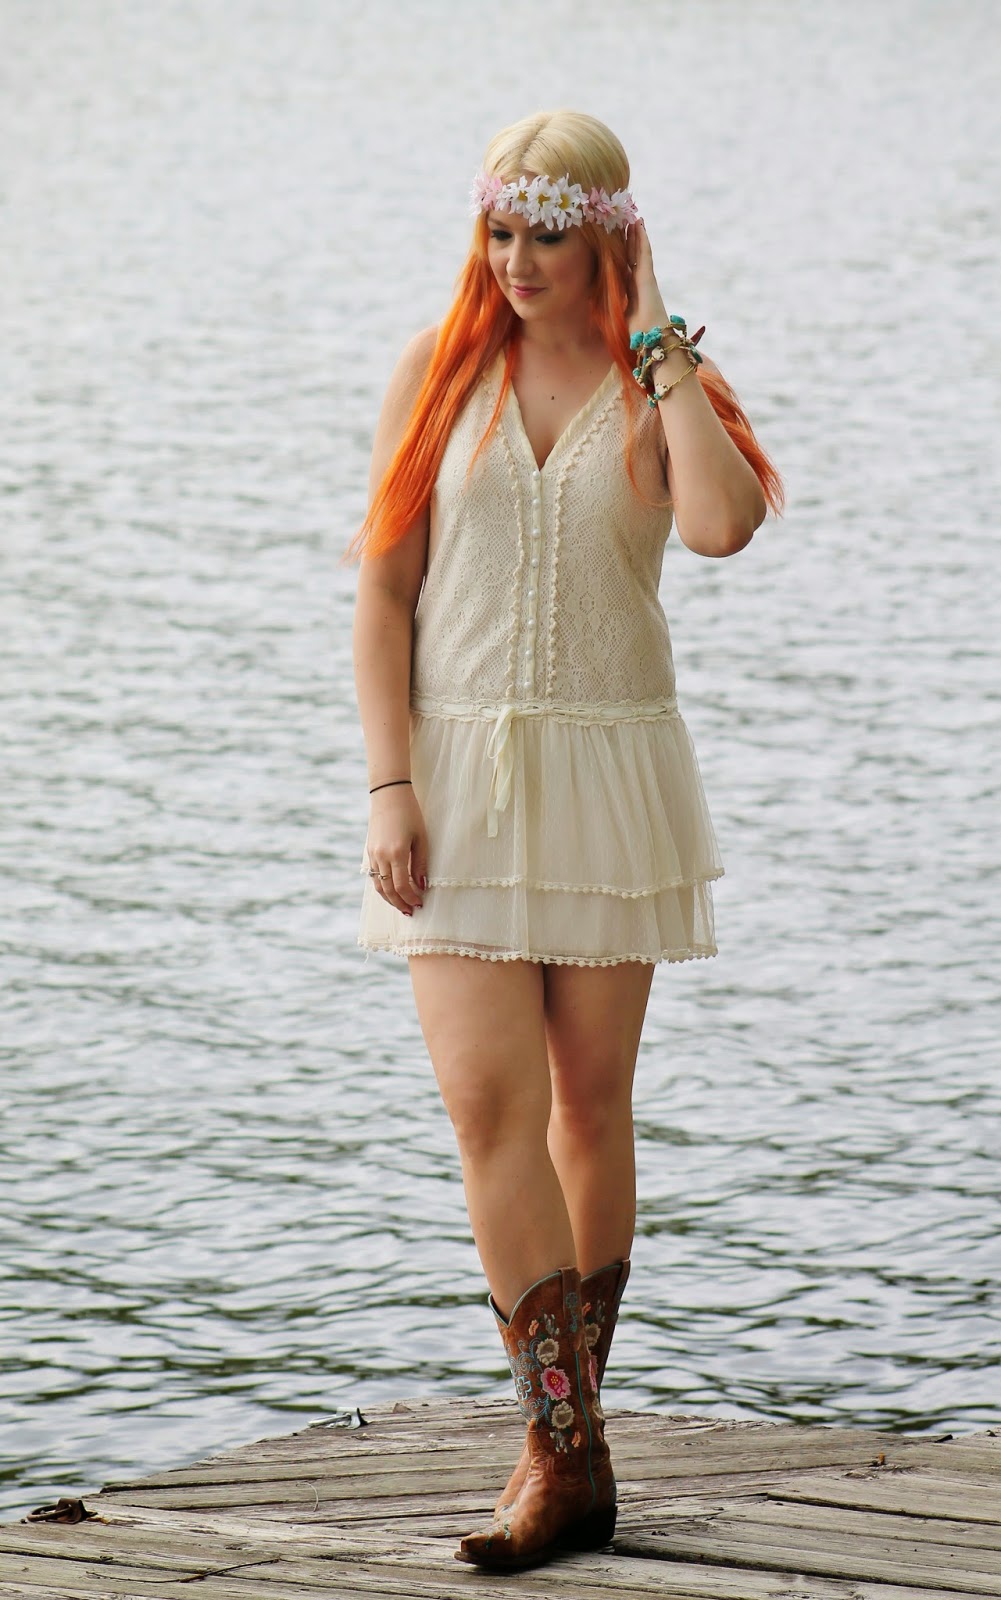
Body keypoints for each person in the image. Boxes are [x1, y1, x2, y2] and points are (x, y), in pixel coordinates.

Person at [351, 109, 782, 1572]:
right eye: (499, 228)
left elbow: (720, 527)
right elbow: (383, 595)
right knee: (490, 1108)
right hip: (455, 783)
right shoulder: (438, 368)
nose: (517, 259)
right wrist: (389, 786)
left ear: (608, 235)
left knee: (588, 1109)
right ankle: (563, 1449)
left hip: (609, 775)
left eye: (548, 232)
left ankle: (566, 1452)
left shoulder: (659, 381)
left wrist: (659, 339)